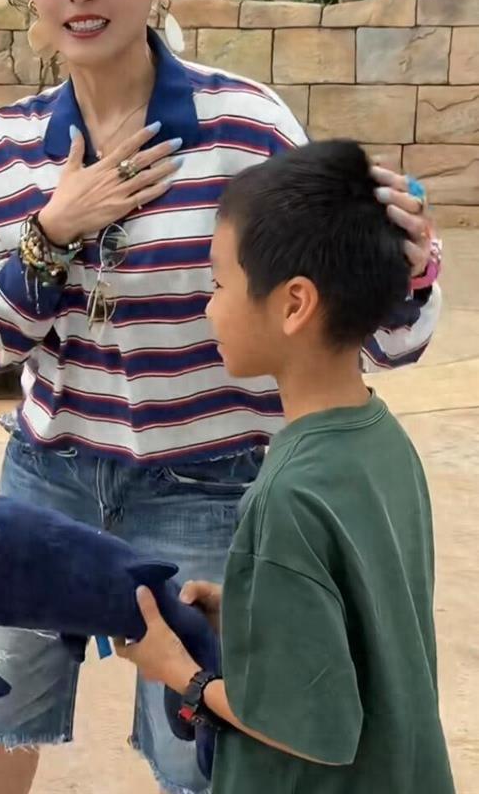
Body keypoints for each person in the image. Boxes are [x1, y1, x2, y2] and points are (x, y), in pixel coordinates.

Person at [0, 0, 442, 794]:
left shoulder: (248, 131)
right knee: (0, 702)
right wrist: (52, 234)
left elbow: (381, 337)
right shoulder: (5, 151)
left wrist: (413, 268)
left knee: (208, 743)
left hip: (210, 485)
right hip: (50, 475)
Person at [115, 138, 455, 794]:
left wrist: (178, 671)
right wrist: (250, 609)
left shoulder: (286, 495)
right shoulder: (382, 439)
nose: (208, 308)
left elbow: (310, 727)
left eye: (219, 285)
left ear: (294, 303)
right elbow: (364, 619)